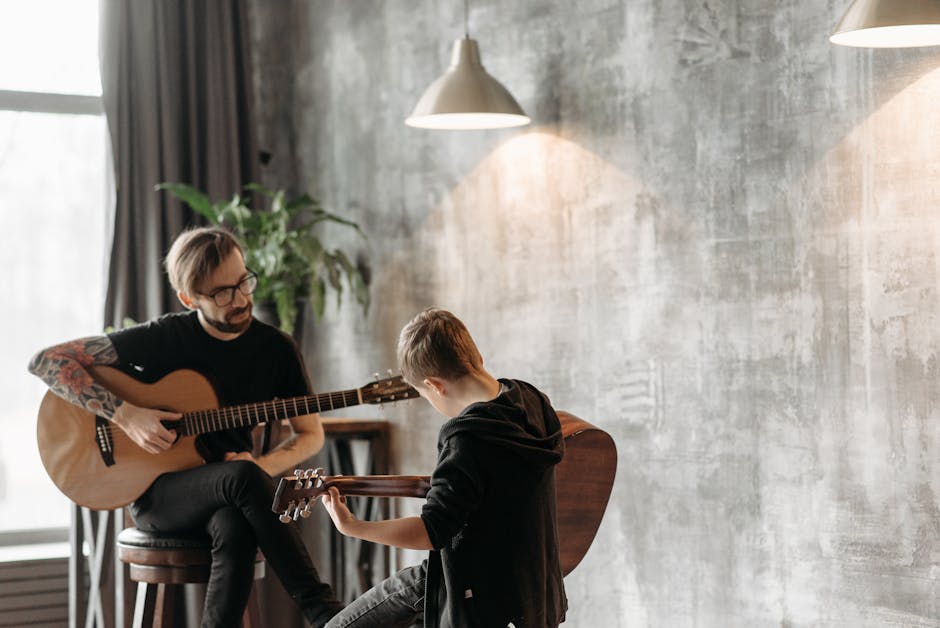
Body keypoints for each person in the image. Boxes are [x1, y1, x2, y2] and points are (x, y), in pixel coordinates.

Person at [28, 226, 343, 628]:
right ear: (189, 298)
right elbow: (46, 361)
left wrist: (256, 469)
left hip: (230, 491)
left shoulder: (276, 349)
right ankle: (326, 615)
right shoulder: (166, 337)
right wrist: (125, 414)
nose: (242, 298)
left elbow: (310, 433)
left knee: (235, 524)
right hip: (158, 495)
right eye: (223, 292)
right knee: (241, 483)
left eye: (244, 280)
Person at [320, 307, 568, 628]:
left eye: (424, 394)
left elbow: (431, 531)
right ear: (475, 354)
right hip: (537, 595)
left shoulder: (466, 438)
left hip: (473, 599)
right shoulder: (533, 400)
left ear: (434, 385)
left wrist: (353, 526)